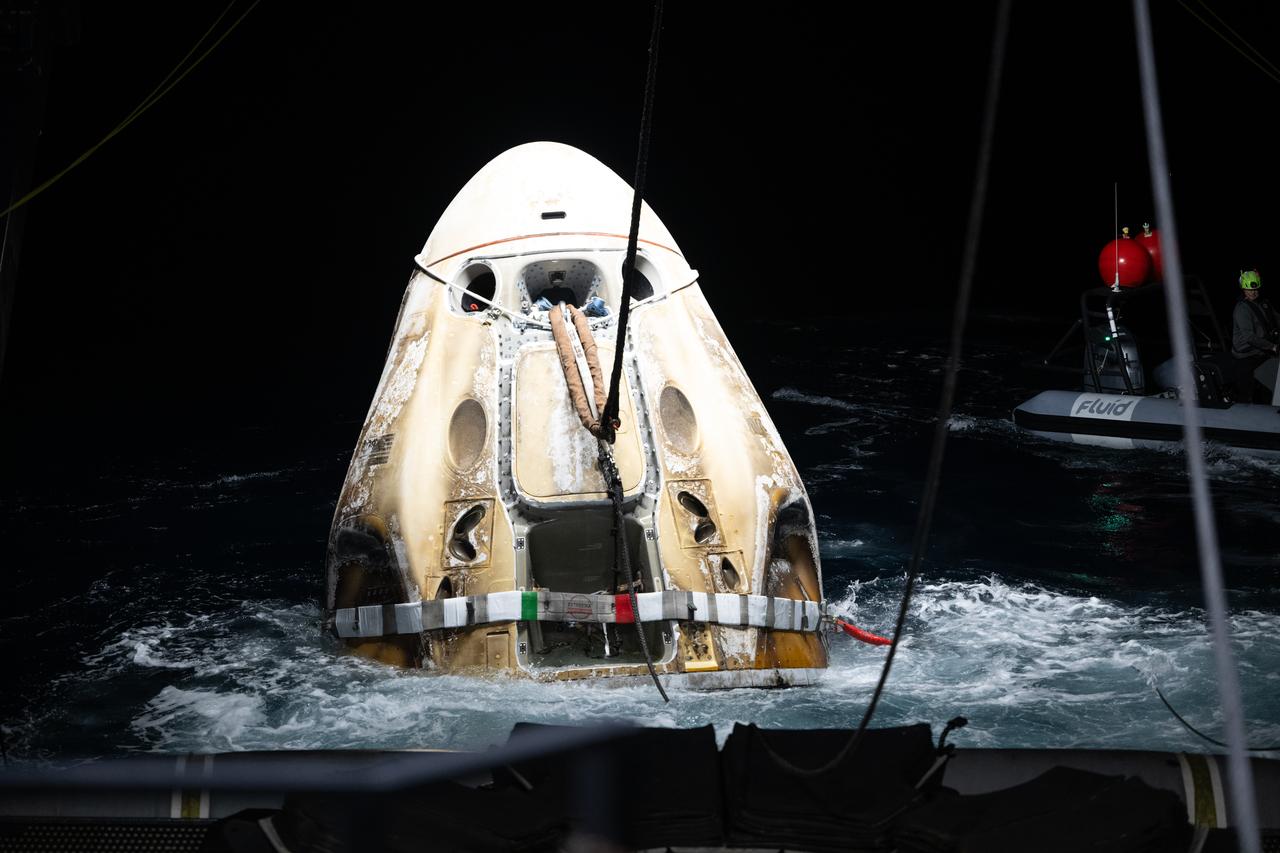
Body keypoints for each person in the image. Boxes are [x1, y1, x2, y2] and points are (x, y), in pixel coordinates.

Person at [1230, 269, 1280, 402]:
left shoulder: (1264, 303)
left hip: (1262, 353)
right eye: (1249, 290)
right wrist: (1273, 347)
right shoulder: (1242, 309)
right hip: (1246, 357)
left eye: (1255, 289)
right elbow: (1249, 337)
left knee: (1268, 389)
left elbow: (1277, 319)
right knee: (1246, 396)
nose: (1252, 292)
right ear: (1243, 289)